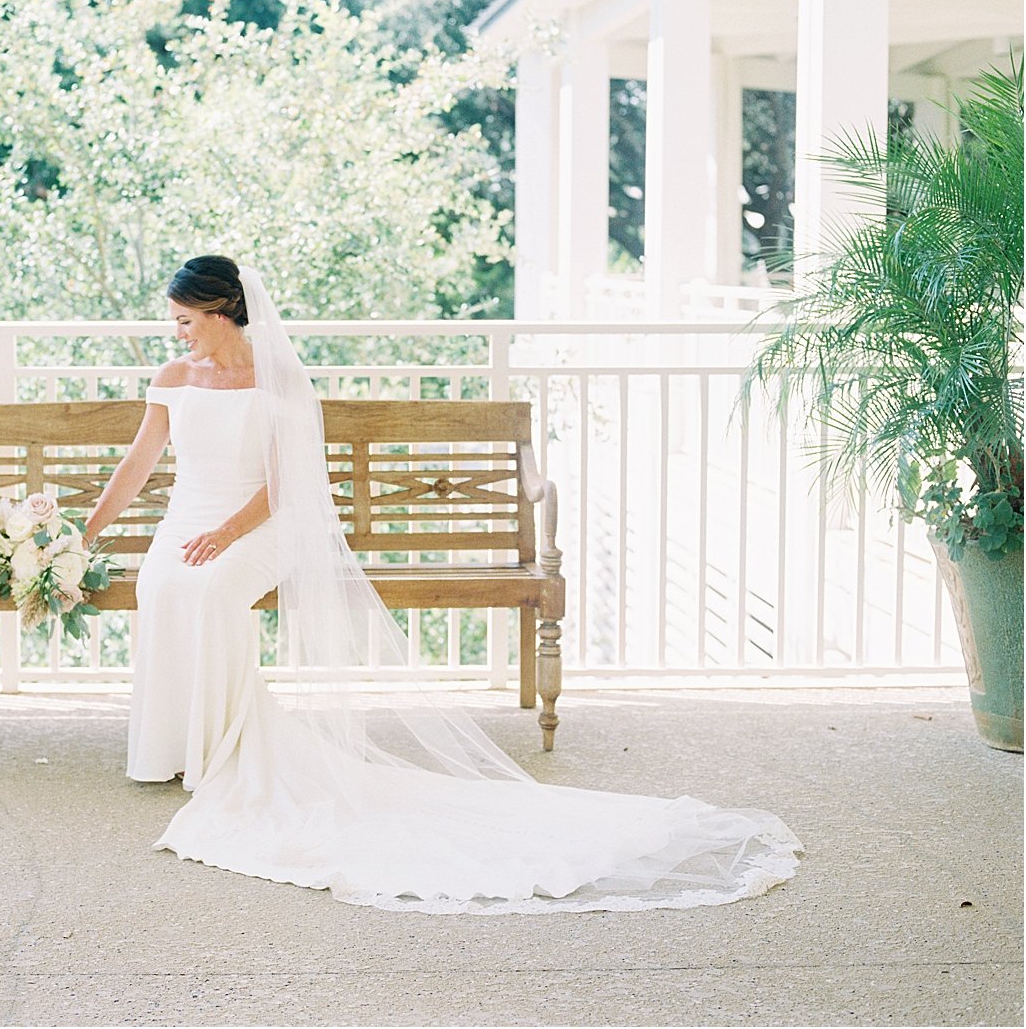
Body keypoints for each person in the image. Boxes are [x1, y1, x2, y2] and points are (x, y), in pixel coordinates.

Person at [84, 255, 802, 914]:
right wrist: (88, 529)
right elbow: (139, 464)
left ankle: (223, 750)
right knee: (164, 588)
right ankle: (169, 746)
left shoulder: (275, 380)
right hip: (188, 523)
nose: (177, 335)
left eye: (185, 321)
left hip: (257, 527)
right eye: (174, 322)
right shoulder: (175, 381)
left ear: (222, 312)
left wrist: (227, 535)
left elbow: (284, 485)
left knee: (211, 592)